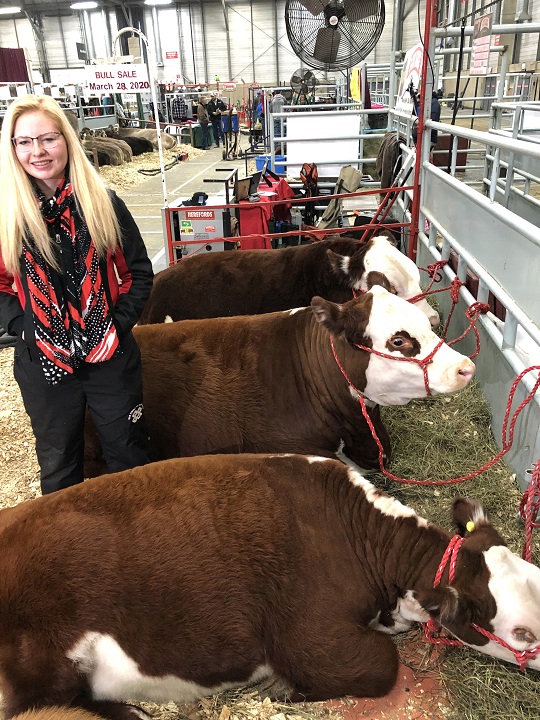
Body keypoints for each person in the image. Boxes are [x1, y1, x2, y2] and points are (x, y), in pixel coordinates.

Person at [0, 94, 154, 495]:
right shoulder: (7, 216)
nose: (37, 152)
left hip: (109, 360)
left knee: (129, 457)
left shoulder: (104, 203)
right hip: (45, 366)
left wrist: (115, 328)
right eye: (24, 142)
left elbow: (138, 273)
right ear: (13, 148)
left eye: (48, 138)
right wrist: (29, 329)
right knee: (59, 465)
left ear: (66, 139)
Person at [409, 83, 441, 148]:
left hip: (426, 138)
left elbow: (433, 121)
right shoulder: (429, 102)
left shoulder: (433, 104)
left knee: (424, 155)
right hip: (422, 137)